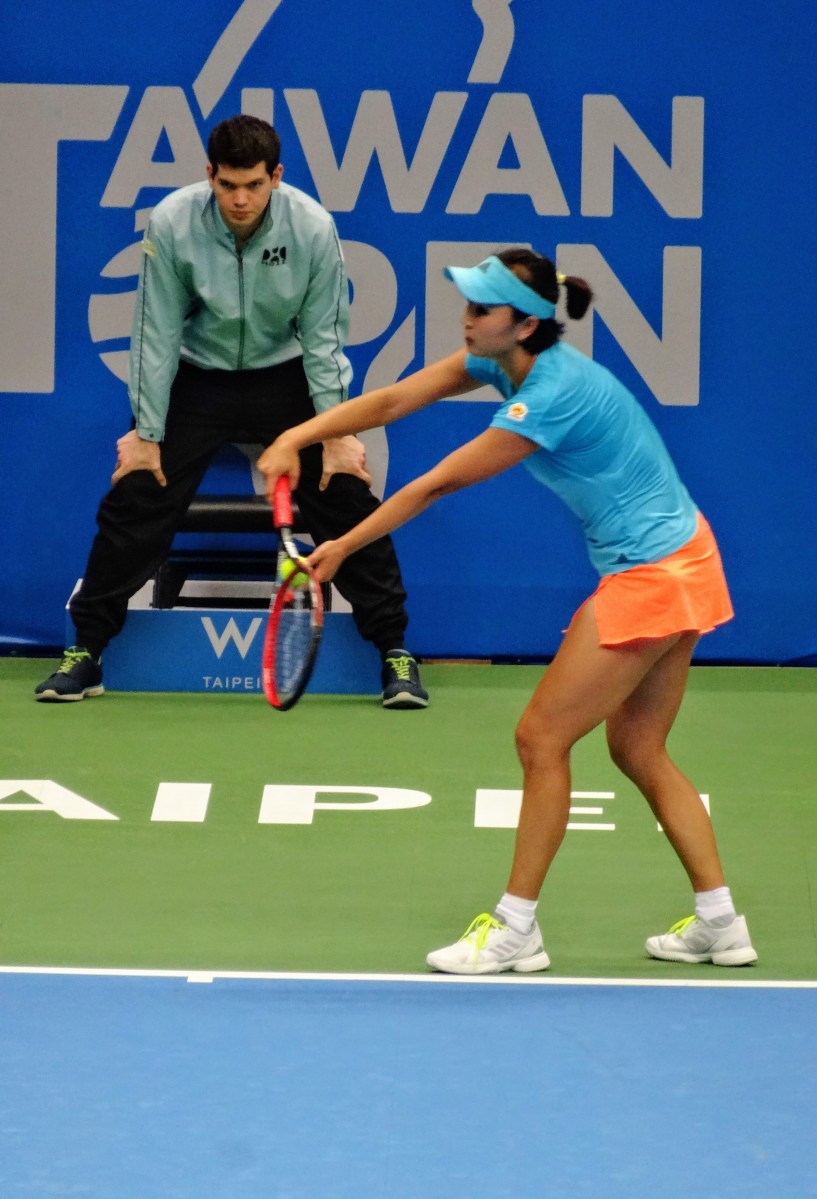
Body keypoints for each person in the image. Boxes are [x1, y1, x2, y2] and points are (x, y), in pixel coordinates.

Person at [256, 247, 757, 973]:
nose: (466, 319)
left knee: (540, 739)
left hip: (652, 574)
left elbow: (434, 484)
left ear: (524, 325)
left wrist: (339, 548)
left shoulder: (550, 396)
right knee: (638, 748)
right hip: (688, 557)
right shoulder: (504, 362)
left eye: (481, 309)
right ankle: (720, 922)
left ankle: (516, 928)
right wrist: (296, 436)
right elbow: (393, 401)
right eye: (467, 304)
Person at [35, 115, 427, 710]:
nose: (240, 199)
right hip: (199, 377)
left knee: (343, 491)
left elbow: (324, 339)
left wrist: (337, 433)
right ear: (210, 175)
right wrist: (147, 431)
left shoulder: (313, 227)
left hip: (285, 376)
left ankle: (395, 652)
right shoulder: (172, 222)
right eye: (227, 185)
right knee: (138, 493)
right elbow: (155, 330)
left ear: (277, 176)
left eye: (253, 185)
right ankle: (86, 651)